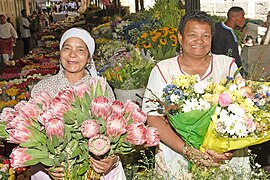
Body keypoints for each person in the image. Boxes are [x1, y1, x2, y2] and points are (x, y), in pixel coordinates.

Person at [142, 10, 249, 179]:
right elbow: (153, 117)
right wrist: (187, 150)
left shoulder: (226, 66)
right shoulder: (163, 70)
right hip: (176, 155)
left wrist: (228, 148)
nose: (199, 41)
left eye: (206, 36)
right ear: (180, 37)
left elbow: (245, 112)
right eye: (192, 34)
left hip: (223, 155)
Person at [30, 27, 126, 180]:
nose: (72, 54)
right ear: (60, 53)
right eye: (67, 48)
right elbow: (31, 132)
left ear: (89, 58)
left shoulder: (100, 87)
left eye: (80, 50)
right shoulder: (42, 88)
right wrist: (46, 164)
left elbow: (116, 128)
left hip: (95, 170)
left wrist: (112, 160)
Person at [211, 6, 246, 71]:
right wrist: (241, 71)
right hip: (222, 70)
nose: (244, 19)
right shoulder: (230, 37)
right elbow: (234, 58)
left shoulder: (215, 26)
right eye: (242, 16)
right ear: (233, 18)